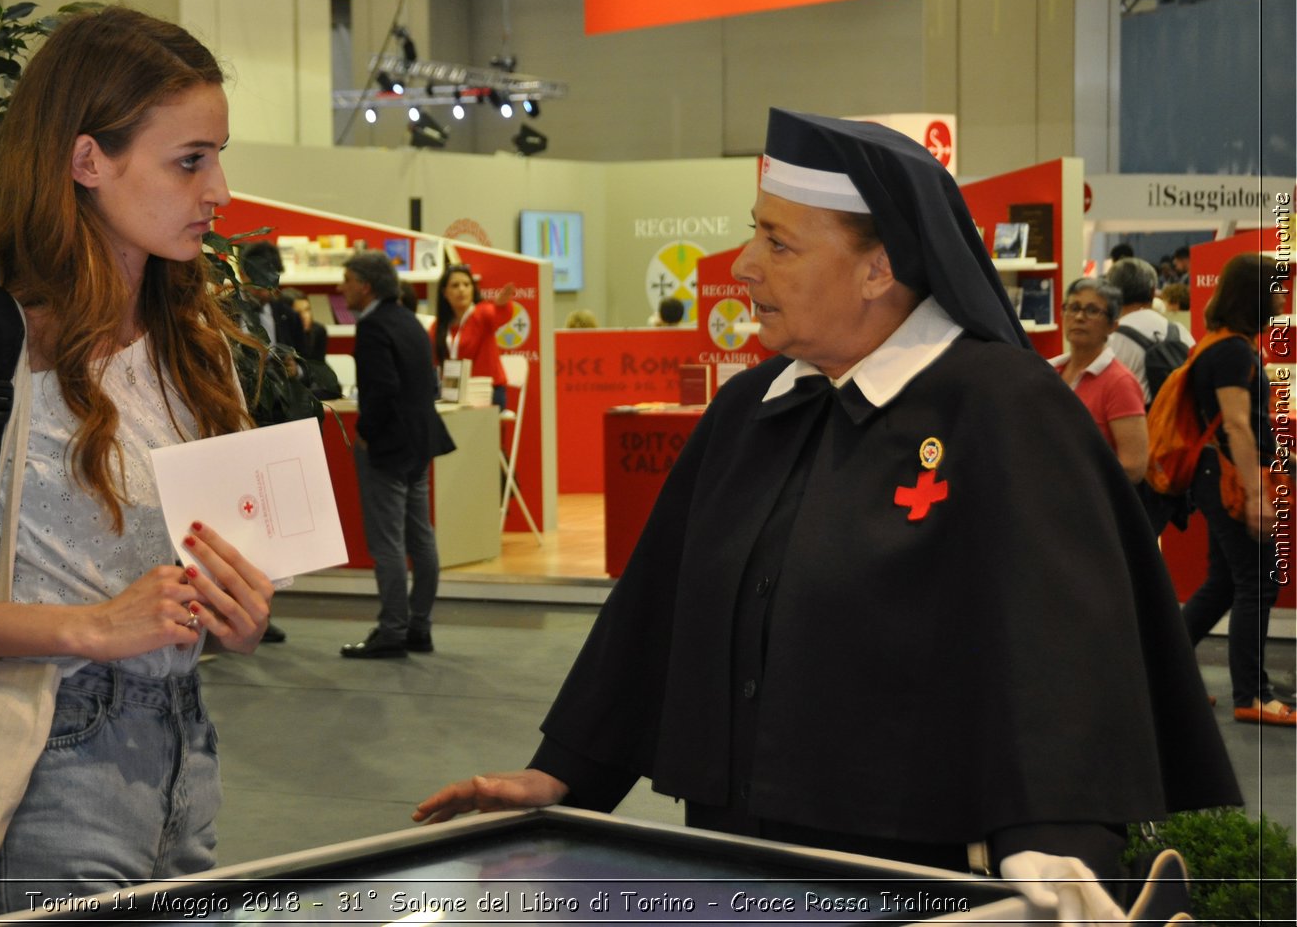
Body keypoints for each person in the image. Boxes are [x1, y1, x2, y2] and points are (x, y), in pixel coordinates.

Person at [415, 109, 1238, 918]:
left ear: (879, 268)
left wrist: (1060, 838)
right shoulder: (750, 409)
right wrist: (565, 772)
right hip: (736, 856)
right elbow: (657, 605)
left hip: (911, 872)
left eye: (778, 243)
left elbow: (1061, 640)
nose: (742, 265)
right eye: (755, 234)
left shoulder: (1004, 409)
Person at [0, 7, 275, 912]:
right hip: (39, 751)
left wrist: (237, 607)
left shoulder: (196, 346)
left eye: (218, 155)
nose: (219, 189)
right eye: (190, 159)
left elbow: (207, 569)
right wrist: (81, 626)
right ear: (87, 162)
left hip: (185, 746)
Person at [1177, 253, 1294, 726]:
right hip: (1230, 478)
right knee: (1258, 583)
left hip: (1219, 476)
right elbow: (1239, 428)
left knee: (1225, 583)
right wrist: (1258, 494)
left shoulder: (1225, 345)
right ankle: (1253, 695)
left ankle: (1164, 678)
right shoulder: (1232, 351)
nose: (1285, 297)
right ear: (1256, 295)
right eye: (1278, 288)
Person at [339, 250, 454, 659]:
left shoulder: (372, 328)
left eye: (348, 280)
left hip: (386, 447)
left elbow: (382, 390)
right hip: (419, 444)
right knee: (420, 536)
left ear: (366, 285)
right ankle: (418, 627)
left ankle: (392, 630)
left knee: (387, 542)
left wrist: (366, 433)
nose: (342, 287)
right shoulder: (410, 320)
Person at [1049, 278, 1148, 484]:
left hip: (1093, 505)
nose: (1078, 317)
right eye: (1073, 307)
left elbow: (1134, 467)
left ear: (1112, 325)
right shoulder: (1049, 373)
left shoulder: (1120, 383)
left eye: (1092, 310)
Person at [433, 263, 516, 411]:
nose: (462, 289)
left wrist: (502, 305)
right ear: (445, 292)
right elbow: (429, 358)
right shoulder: (439, 326)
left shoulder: (483, 313)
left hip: (487, 392)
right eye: (455, 285)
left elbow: (501, 316)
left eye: (466, 284)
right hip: (452, 393)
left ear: (473, 289)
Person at [1107, 258, 1178, 403]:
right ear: (1153, 292)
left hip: (1138, 421)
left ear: (1111, 293)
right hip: (1180, 422)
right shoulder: (1179, 331)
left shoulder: (1111, 340)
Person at [288, 291, 329, 361]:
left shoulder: (319, 331)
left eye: (307, 310)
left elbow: (319, 365)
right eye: (298, 312)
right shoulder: (281, 332)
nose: (304, 316)